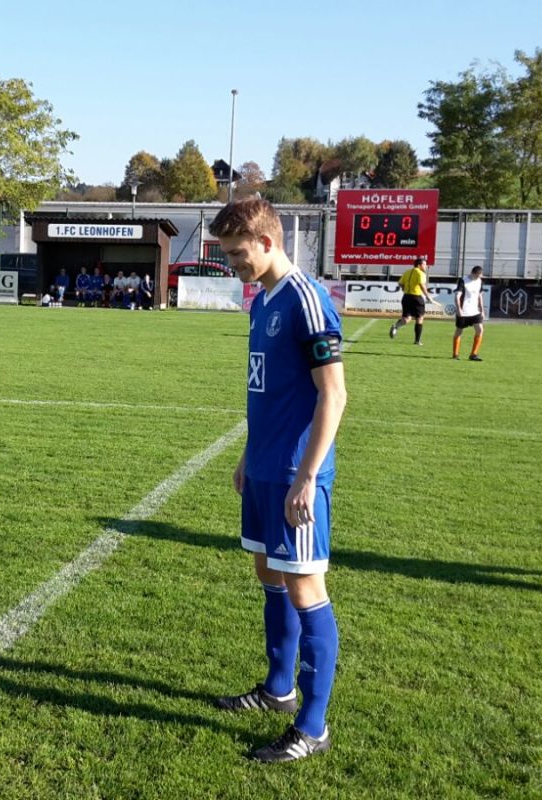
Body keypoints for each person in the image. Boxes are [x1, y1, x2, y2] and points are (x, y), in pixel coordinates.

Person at [208, 197, 347, 763]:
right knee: (269, 572)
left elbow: (333, 394)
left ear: (268, 241)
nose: (234, 263)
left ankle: (312, 727)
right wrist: (248, 453)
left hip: (295, 474)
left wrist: (307, 477)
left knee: (306, 586)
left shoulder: (307, 301)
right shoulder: (260, 300)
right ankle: (278, 690)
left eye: (238, 253)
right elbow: (266, 391)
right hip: (263, 468)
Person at [389, 256, 440, 345]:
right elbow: (422, 285)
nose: (426, 266)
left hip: (406, 297)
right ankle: (417, 340)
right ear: (419, 265)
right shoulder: (421, 273)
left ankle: (396, 326)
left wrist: (405, 288)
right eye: (424, 264)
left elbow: (400, 283)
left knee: (406, 318)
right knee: (420, 318)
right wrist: (428, 296)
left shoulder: (407, 272)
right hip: (417, 298)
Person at [452, 265, 485, 361]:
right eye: (478, 275)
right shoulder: (463, 280)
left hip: (475, 311)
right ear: (473, 273)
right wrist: (459, 309)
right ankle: (455, 354)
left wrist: (482, 310)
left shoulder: (479, 281)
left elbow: (480, 296)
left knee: (480, 330)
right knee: (459, 331)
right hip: (464, 311)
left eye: (480, 275)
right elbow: (457, 296)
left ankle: (473, 354)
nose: (479, 277)